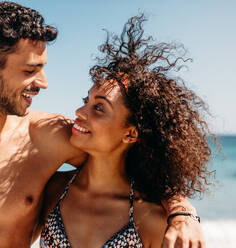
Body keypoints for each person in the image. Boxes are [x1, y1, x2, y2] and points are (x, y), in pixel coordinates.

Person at [0, 2, 203, 248]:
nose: (43, 83)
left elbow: (137, 163)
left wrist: (182, 212)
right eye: (30, 70)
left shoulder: (51, 136)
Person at [38, 14, 213, 248]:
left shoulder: (150, 218)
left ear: (131, 134)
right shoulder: (53, 190)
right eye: (85, 100)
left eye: (99, 107)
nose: (80, 111)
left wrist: (183, 212)